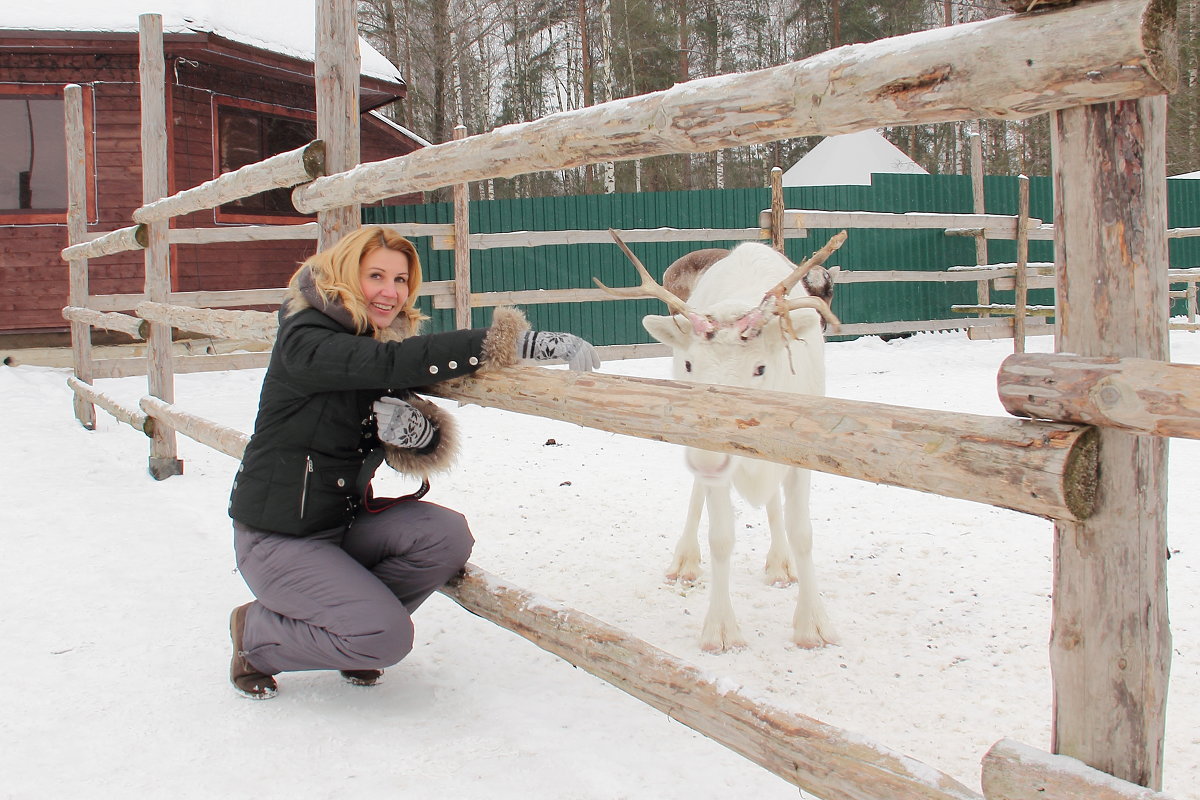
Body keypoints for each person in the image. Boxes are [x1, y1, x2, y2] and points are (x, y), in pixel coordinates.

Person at [227, 225, 599, 699]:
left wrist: (419, 435)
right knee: (385, 638)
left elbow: (404, 417)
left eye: (401, 280)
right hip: (278, 539)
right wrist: (516, 343)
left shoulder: (374, 337)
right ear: (344, 274)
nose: (391, 291)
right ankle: (258, 635)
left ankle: (350, 635)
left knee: (444, 536)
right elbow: (390, 365)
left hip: (338, 527)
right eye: (376, 276)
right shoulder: (306, 338)